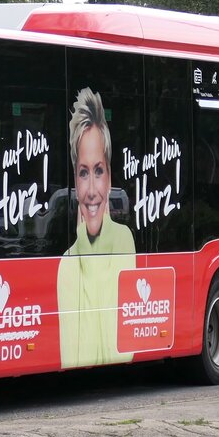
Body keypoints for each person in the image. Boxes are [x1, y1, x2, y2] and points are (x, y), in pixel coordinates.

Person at [57, 86, 136, 368]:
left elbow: (118, 349)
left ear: (110, 177)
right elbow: (76, 356)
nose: (92, 190)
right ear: (75, 182)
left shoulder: (123, 240)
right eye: (83, 173)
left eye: (99, 171)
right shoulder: (66, 263)